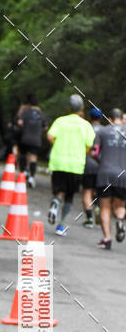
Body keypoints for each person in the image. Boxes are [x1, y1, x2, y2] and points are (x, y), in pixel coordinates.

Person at [47, 94, 96, 236]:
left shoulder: (60, 121)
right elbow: (90, 145)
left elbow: (50, 136)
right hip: (76, 165)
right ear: (81, 108)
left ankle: (55, 201)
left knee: (58, 191)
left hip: (58, 162)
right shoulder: (85, 125)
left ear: (68, 107)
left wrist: (57, 145)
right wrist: (82, 151)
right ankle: (61, 226)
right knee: (69, 196)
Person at [93, 108, 126, 250]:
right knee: (120, 205)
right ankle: (119, 220)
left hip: (105, 173)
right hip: (123, 175)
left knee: (105, 206)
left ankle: (107, 238)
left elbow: (94, 151)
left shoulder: (103, 131)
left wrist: (101, 161)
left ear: (110, 119)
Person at [15, 93, 48, 188]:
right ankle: (32, 177)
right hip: (36, 139)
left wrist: (25, 125)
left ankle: (24, 172)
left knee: (23, 155)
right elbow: (46, 127)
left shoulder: (26, 111)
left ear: (29, 104)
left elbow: (19, 122)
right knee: (33, 157)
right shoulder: (41, 114)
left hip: (25, 138)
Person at [81, 107, 102, 228]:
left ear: (90, 117)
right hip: (100, 164)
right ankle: (98, 208)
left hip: (87, 163)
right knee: (96, 191)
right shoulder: (105, 130)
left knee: (87, 191)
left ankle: (89, 218)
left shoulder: (85, 127)